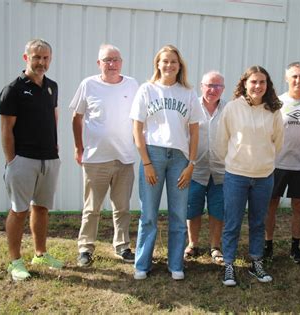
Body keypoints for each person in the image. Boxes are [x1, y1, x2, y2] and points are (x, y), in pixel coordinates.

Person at [130, 45, 203, 281]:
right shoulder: (147, 90)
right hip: (153, 155)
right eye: (165, 61)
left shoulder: (188, 93)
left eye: (174, 61)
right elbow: (137, 129)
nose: (169, 65)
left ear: (179, 65)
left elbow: (194, 132)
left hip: (179, 159)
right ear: (158, 64)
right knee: (148, 213)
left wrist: (191, 164)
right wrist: (147, 162)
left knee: (179, 214)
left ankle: (175, 264)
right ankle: (142, 264)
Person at [0, 39, 63, 281]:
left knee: (42, 208)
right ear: (26, 58)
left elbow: (52, 117)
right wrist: (11, 161)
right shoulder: (13, 89)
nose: (41, 62)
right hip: (23, 159)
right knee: (19, 211)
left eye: (46, 58)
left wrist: (54, 145)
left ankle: (40, 253)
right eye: (36, 57)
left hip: (49, 158)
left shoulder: (52, 87)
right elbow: (6, 129)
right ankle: (15, 261)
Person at [70, 44, 139, 267]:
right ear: (99, 63)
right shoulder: (88, 84)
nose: (112, 64)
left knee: (122, 208)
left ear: (122, 62)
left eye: (116, 60)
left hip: (124, 158)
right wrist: (79, 148)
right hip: (95, 159)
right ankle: (85, 249)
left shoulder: (132, 84)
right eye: (107, 60)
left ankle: (122, 246)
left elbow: (139, 118)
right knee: (92, 209)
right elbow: (76, 118)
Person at [216, 65, 284, 286]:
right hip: (236, 175)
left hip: (264, 176)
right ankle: (228, 264)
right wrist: (235, 161)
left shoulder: (273, 110)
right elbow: (221, 142)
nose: (257, 86)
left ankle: (256, 261)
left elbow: (279, 142)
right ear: (245, 83)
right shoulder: (232, 108)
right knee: (233, 222)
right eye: (253, 81)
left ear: (268, 85)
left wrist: (264, 160)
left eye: (262, 82)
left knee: (258, 222)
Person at [264, 62, 300, 264]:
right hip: (277, 163)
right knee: (271, 204)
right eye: (294, 76)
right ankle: (267, 246)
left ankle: (295, 247)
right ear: (287, 78)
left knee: (298, 206)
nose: (298, 80)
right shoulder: (277, 102)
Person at [184, 71, 226, 264]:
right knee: (193, 208)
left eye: (217, 86)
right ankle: (193, 244)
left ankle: (215, 246)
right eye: (209, 85)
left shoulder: (229, 109)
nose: (212, 90)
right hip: (195, 169)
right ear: (201, 86)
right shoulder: (192, 107)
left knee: (218, 210)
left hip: (221, 170)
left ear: (223, 89)